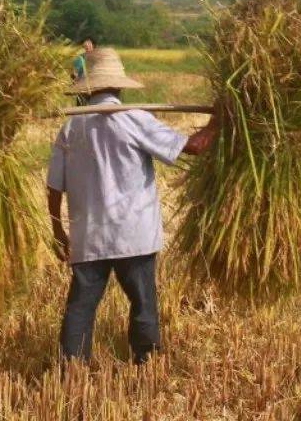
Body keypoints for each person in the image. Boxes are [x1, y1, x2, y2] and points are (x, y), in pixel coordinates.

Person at [46, 47, 219, 365]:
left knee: (80, 307)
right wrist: (219, 119)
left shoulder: (70, 128)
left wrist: (59, 231)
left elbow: (54, 186)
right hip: (133, 234)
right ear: (119, 85)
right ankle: (146, 363)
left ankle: (72, 370)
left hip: (89, 236)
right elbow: (193, 147)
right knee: (143, 304)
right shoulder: (134, 118)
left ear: (87, 89)